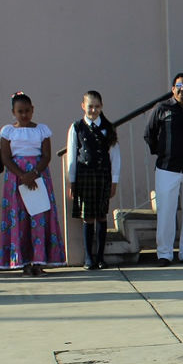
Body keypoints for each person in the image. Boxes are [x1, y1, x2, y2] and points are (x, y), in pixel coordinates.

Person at [0, 92, 65, 276]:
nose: (24, 115)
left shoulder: (42, 130)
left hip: (38, 177)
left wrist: (34, 173)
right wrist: (22, 175)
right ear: (13, 112)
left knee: (38, 217)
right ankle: (24, 261)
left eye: (27, 110)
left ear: (33, 109)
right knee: (20, 218)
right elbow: (5, 156)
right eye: (20, 111)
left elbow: (46, 155)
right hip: (16, 179)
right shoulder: (8, 131)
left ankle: (39, 260)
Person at [144, 72, 183, 267]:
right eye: (179, 86)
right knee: (166, 211)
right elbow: (149, 134)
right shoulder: (162, 109)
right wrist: (162, 152)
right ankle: (165, 253)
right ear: (173, 89)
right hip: (167, 168)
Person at [65, 90, 121, 271]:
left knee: (101, 215)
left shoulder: (108, 128)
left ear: (101, 107)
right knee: (87, 217)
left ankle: (100, 257)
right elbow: (72, 156)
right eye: (90, 106)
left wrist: (114, 181)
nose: (93, 110)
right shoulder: (76, 127)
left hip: (103, 176)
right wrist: (72, 181)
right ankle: (88, 258)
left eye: (97, 106)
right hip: (84, 176)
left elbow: (115, 156)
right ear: (83, 106)